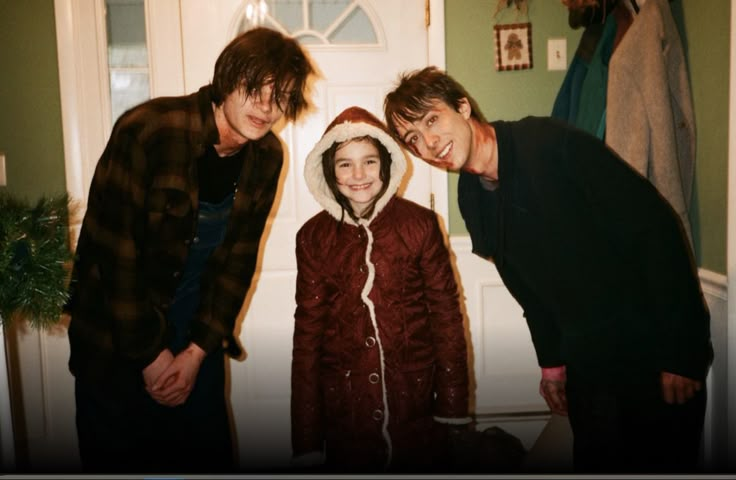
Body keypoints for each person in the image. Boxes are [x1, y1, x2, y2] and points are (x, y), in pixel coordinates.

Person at [383, 66, 713, 473]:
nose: (429, 144)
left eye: (432, 120)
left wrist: (681, 353)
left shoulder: (550, 143)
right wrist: (552, 362)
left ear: (463, 106)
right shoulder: (471, 197)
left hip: (651, 353)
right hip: (588, 369)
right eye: (413, 139)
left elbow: (655, 230)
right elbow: (527, 286)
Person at [64, 27, 315, 473]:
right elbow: (114, 256)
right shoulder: (150, 129)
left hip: (195, 336)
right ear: (226, 79)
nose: (266, 107)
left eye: (281, 97)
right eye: (255, 88)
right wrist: (151, 356)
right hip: (114, 337)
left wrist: (197, 352)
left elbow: (237, 261)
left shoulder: (268, 157)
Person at [289, 106, 471, 473]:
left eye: (369, 161)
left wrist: (452, 409)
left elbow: (446, 318)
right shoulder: (312, 238)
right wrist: (307, 439)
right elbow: (307, 339)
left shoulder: (420, 225)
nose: (359, 175)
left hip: (416, 402)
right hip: (346, 410)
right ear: (328, 170)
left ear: (386, 163)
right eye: (345, 164)